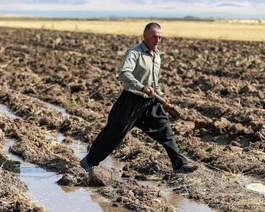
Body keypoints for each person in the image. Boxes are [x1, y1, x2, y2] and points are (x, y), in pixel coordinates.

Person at [80, 22, 197, 174]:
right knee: (115, 133)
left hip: (150, 102)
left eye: (160, 37)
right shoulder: (134, 53)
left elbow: (154, 81)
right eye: (155, 37)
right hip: (131, 100)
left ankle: (179, 164)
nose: (158, 40)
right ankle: (89, 161)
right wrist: (141, 87)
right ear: (145, 36)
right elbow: (124, 73)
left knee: (165, 131)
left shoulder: (157, 56)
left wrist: (161, 95)